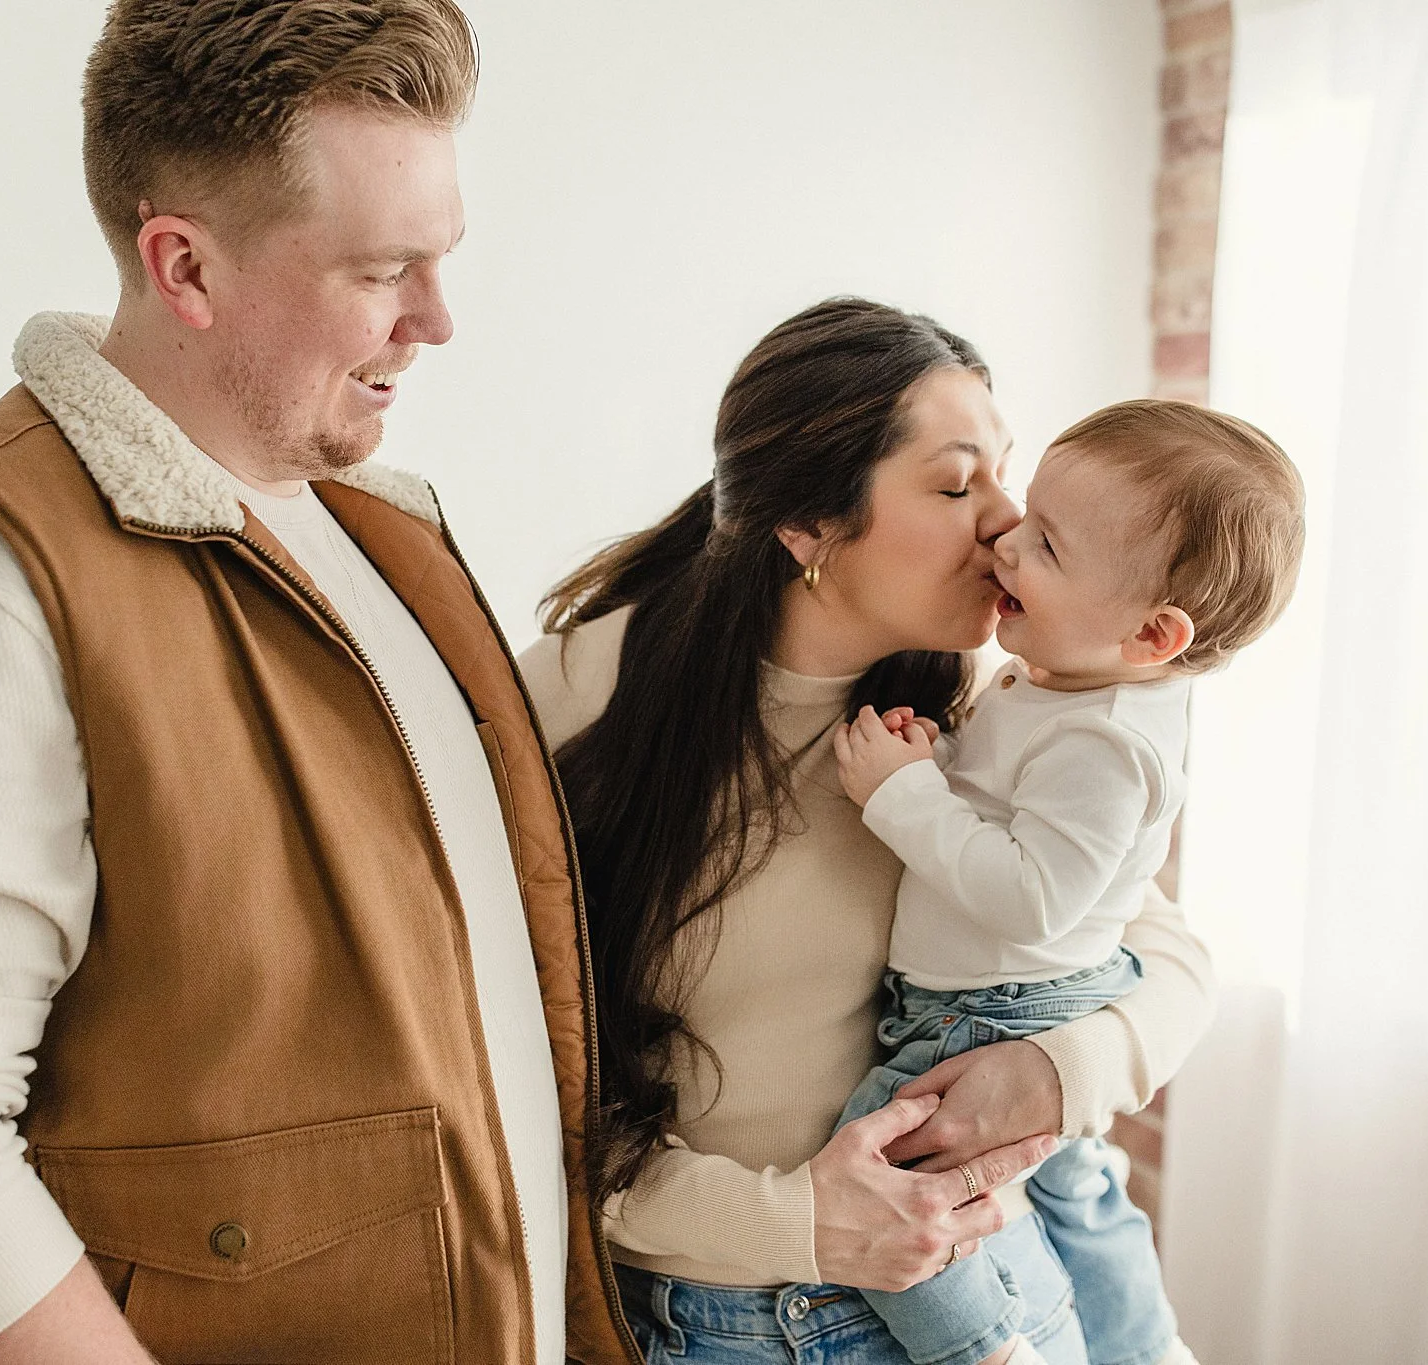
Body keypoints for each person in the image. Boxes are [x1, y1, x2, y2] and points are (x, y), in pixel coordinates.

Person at [0, 4, 634, 1362]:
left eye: (445, 258)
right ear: (184, 265)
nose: (439, 320)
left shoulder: (381, 541)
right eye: (384, 268)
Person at [518, 299, 1221, 1365]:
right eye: (952, 484)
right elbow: (481, 1091)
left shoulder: (965, 705)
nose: (1003, 522)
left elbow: (1160, 953)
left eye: (1001, 472)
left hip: (994, 1274)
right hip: (730, 1328)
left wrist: (1055, 1074)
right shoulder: (571, 704)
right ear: (806, 527)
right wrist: (790, 1219)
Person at [830, 399, 1305, 1365]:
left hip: (992, 1009)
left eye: (1046, 544)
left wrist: (906, 793)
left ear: (1151, 635)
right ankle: (1147, 1345)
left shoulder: (1107, 739)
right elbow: (1019, 807)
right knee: (1075, 1188)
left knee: (880, 1167)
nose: (1005, 536)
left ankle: (982, 1348)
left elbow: (1029, 894)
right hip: (1034, 991)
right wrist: (947, 760)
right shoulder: (1074, 683)